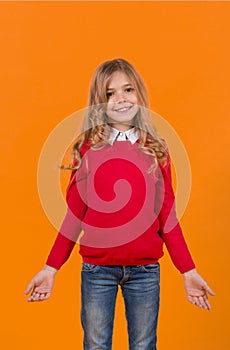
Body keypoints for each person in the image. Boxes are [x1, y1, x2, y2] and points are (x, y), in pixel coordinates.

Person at [25, 58, 215, 350]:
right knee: (96, 344)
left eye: (128, 90)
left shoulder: (156, 149)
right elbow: (74, 216)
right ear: (98, 104)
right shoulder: (87, 149)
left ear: (139, 94)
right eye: (109, 94)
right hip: (96, 272)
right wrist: (51, 267)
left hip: (145, 272)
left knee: (143, 344)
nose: (121, 99)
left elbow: (168, 215)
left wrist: (187, 270)